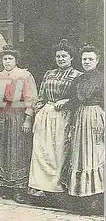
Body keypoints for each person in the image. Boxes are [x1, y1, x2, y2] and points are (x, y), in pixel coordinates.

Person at [28, 39, 82, 203]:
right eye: (58, 56)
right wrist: (37, 112)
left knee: (58, 153)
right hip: (46, 115)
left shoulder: (77, 75)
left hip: (63, 116)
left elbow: (78, 98)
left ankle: (57, 191)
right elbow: (41, 96)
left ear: (71, 57)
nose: (61, 59)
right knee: (41, 152)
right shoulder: (49, 73)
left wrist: (66, 101)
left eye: (64, 56)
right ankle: (40, 190)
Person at [0, 44, 38, 203]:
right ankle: (6, 186)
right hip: (4, 115)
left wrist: (28, 119)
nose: (7, 62)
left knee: (18, 150)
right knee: (5, 149)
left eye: (10, 59)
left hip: (19, 114)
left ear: (16, 60)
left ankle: (19, 189)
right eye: (5, 59)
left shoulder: (24, 75)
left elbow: (31, 98)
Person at [61, 44, 104, 214]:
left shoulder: (102, 79)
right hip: (80, 119)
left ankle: (97, 199)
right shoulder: (77, 80)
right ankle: (83, 198)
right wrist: (65, 103)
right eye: (84, 59)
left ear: (97, 61)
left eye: (90, 59)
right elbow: (73, 101)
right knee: (80, 156)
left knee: (96, 155)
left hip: (96, 118)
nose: (87, 62)